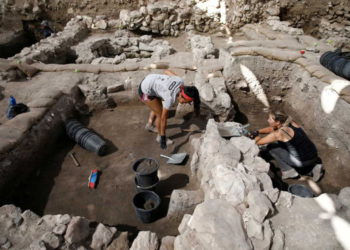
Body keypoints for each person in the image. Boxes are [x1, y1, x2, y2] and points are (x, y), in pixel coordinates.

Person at [250, 111, 323, 181]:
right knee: (286, 145)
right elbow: (272, 129)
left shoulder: (280, 133)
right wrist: (257, 132)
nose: (267, 120)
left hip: (302, 161)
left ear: (278, 122)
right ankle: (313, 167)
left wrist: (253, 136)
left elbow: (258, 142)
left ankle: (288, 171)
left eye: (270, 119)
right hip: (313, 155)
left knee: (271, 147)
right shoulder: (290, 122)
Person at [139, 70, 200, 149]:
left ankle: (149, 125)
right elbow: (163, 119)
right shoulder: (169, 98)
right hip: (145, 91)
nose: (185, 103)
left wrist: (163, 82)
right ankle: (159, 137)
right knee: (160, 115)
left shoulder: (180, 81)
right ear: (181, 95)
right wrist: (163, 137)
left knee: (157, 107)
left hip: (150, 79)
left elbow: (166, 71)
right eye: (186, 102)